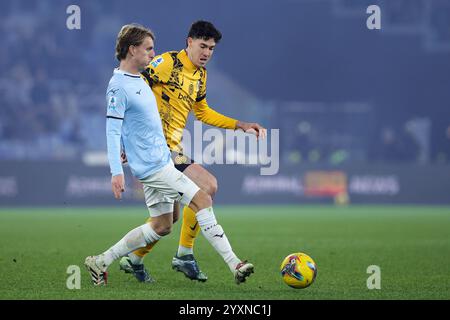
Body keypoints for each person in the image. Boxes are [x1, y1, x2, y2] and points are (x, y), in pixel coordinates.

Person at [84, 23, 254, 286]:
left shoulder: (195, 75)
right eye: (203, 46)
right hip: (159, 157)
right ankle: (226, 262)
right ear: (189, 42)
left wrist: (238, 124)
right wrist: (119, 162)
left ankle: (111, 260)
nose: (207, 52)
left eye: (212, 48)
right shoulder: (160, 66)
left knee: (164, 223)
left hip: (163, 152)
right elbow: (117, 119)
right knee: (205, 192)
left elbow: (201, 112)